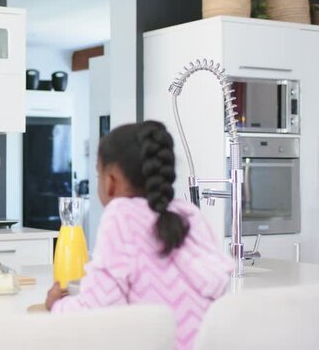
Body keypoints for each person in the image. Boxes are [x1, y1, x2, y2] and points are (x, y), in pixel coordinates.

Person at [45, 121, 233, 350]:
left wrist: (58, 305)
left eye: (97, 174)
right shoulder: (189, 214)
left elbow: (99, 310)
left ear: (110, 181)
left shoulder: (121, 214)